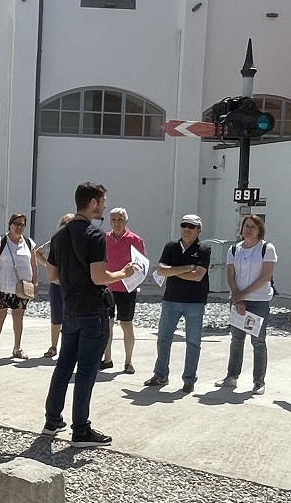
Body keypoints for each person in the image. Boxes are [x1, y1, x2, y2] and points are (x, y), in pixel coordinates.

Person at [43, 183, 137, 445]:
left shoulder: (59, 235)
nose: (105, 205)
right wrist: (123, 274)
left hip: (70, 310)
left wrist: (72, 282)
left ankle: (52, 420)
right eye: (103, 201)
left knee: (63, 366)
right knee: (86, 372)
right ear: (93, 202)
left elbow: (51, 274)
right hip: (93, 312)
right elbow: (99, 277)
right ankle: (81, 429)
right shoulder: (95, 236)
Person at [145, 215, 209, 391]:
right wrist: (187, 267)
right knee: (163, 339)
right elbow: (160, 270)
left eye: (192, 226)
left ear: (198, 230)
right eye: (184, 225)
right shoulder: (171, 246)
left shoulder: (204, 249)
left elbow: (198, 276)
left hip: (195, 302)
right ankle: (160, 375)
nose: (187, 229)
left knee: (193, 342)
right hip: (171, 300)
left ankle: (189, 379)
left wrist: (172, 271)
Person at [216, 214, 277, 394]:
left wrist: (243, 295)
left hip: (259, 301)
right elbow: (230, 275)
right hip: (237, 299)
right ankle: (232, 376)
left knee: (258, 341)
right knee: (236, 339)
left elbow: (266, 276)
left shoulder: (267, 248)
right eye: (246, 226)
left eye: (253, 227)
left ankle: (259, 381)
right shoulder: (234, 250)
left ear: (260, 230)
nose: (248, 230)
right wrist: (238, 298)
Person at [102, 207, 147, 373]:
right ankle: (107, 359)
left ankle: (128, 362)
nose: (116, 223)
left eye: (120, 219)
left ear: (126, 221)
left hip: (127, 288)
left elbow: (142, 264)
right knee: (107, 324)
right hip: (107, 287)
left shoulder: (135, 240)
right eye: (113, 219)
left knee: (126, 324)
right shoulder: (103, 238)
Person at [0, 213, 37, 360]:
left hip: (22, 288)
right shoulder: (0, 242)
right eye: (16, 223)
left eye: (22, 224)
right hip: (3, 286)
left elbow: (33, 264)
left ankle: (17, 348)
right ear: (10, 224)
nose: (19, 227)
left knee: (18, 316)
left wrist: (35, 283)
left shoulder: (28, 243)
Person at [35, 215, 71, 360]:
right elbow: (37, 252)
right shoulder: (55, 242)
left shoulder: (78, 242)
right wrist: (48, 265)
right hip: (57, 283)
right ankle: (54, 346)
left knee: (71, 317)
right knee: (57, 315)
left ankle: (67, 347)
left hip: (72, 284)